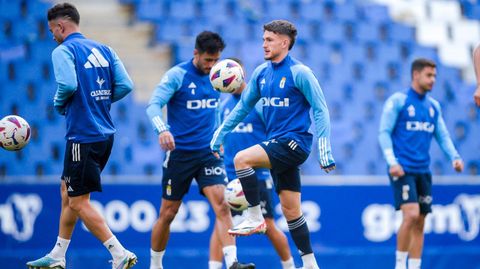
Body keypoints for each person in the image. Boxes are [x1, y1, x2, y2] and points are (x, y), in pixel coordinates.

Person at [210, 20, 335, 269]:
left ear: (284, 42)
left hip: (295, 142)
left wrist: (325, 148)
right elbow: (243, 108)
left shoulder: (300, 73)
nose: (264, 44)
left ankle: (254, 216)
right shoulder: (261, 74)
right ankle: (310, 264)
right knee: (291, 212)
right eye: (263, 39)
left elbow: (320, 109)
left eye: (269, 39)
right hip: (277, 145)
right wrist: (220, 134)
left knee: (241, 159)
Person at [27, 3, 137, 269]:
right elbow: (126, 85)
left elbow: (67, 84)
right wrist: (99, 100)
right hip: (104, 133)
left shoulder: (63, 50)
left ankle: (119, 253)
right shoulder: (105, 49)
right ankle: (57, 255)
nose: (52, 35)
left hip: (82, 136)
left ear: (61, 27)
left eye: (52, 30)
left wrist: (59, 103)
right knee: (67, 191)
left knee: (78, 201)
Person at [146, 31, 254, 269]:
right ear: (196, 53)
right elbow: (153, 106)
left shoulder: (220, 75)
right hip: (180, 154)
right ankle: (155, 264)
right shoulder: (178, 75)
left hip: (208, 154)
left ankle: (232, 262)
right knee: (168, 213)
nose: (212, 66)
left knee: (223, 205)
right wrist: (162, 129)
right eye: (208, 60)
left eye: (216, 60)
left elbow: (238, 99)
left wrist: (220, 134)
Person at [209, 58, 295, 269]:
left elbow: (274, 133)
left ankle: (290, 266)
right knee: (222, 221)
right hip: (230, 175)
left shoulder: (258, 103)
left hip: (257, 175)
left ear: (241, 73)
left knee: (268, 226)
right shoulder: (224, 105)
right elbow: (221, 133)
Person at [378, 58, 464, 269]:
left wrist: (454, 156)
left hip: (423, 170)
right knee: (411, 214)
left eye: (434, 76)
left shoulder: (433, 107)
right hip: (402, 169)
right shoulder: (398, 101)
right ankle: (400, 265)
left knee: (421, 221)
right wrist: (391, 162)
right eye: (429, 75)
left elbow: (442, 135)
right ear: (415, 75)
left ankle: (414, 266)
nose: (433, 80)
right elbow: (384, 132)